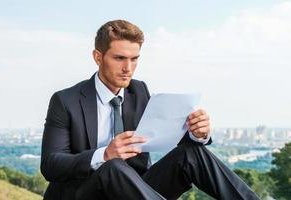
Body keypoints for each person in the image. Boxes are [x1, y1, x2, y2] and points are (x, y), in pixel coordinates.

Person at [41, 19, 260, 200]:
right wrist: (104, 154)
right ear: (98, 57)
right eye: (119, 58)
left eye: (134, 59)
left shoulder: (139, 91)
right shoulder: (66, 100)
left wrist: (196, 134)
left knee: (192, 153)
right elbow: (51, 164)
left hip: (136, 191)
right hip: (86, 194)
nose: (128, 68)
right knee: (113, 167)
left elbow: (167, 137)